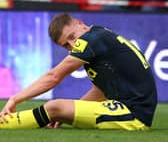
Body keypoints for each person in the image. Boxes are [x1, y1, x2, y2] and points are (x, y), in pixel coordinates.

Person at [0, 13, 157, 130]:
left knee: (54, 107)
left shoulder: (91, 40)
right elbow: (100, 92)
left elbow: (53, 77)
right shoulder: (100, 36)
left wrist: (15, 99)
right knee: (59, 109)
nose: (72, 45)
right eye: (66, 45)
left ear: (80, 24)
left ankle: (5, 124)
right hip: (131, 108)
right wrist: (71, 112)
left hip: (134, 115)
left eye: (72, 37)